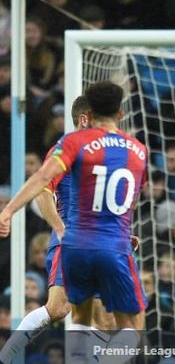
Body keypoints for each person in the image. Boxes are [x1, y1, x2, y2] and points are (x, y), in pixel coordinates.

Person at [0, 81, 149, 364]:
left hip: (85, 239)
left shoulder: (75, 147)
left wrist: (9, 211)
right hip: (81, 236)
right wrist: (59, 226)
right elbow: (45, 193)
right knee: (72, 312)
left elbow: (43, 183)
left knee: (81, 315)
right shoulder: (134, 148)